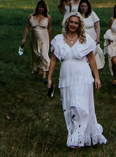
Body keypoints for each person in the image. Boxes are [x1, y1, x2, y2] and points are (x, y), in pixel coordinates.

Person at [45, 12, 106, 149]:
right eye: (71, 22)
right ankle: (75, 135)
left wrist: (97, 77)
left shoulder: (85, 40)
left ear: (79, 25)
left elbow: (91, 59)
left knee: (78, 105)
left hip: (82, 76)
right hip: (66, 77)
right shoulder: (59, 40)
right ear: (67, 23)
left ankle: (76, 140)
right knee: (69, 108)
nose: (73, 24)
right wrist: (49, 78)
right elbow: (53, 60)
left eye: (76, 23)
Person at [20, 0, 51, 76]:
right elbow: (27, 28)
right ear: (37, 7)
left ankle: (45, 70)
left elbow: (49, 29)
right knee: (36, 55)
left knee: (44, 55)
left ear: (45, 9)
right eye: (39, 7)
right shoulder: (31, 16)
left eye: (42, 7)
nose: (41, 9)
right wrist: (24, 38)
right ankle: (36, 70)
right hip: (34, 39)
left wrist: (50, 41)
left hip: (45, 39)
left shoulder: (47, 17)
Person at [77, 0, 105, 70]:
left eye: (85, 6)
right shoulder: (77, 15)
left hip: (92, 38)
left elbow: (97, 27)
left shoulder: (92, 14)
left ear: (88, 7)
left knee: (91, 55)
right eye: (82, 6)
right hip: (81, 39)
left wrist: (98, 37)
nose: (83, 8)